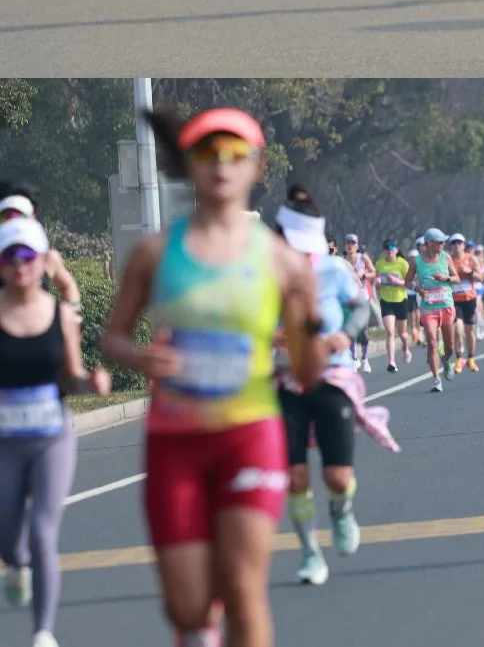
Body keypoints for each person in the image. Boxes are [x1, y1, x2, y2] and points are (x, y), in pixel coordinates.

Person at [101, 106, 324, 647]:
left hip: (249, 437)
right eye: (207, 154)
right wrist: (141, 359)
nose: (221, 166)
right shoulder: (156, 253)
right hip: (175, 443)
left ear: (255, 166)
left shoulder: (284, 263)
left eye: (234, 155)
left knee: (244, 590)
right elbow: (113, 338)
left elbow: (308, 373)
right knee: (188, 607)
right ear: (189, 167)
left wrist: (311, 329)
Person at [275, 188, 400, 587]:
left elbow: (361, 305)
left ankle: (341, 511)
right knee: (294, 476)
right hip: (286, 382)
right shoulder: (264, 274)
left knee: (337, 477)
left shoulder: (333, 270)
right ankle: (310, 552)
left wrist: (346, 333)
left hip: (332, 376)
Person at [0, 217, 111, 647]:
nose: (19, 265)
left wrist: (91, 384)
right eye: (10, 257)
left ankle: (42, 632)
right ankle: (17, 562)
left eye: (27, 255)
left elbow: (71, 375)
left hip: (51, 437)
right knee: (10, 541)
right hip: (5, 443)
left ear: (42, 262)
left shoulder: (61, 315)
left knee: (44, 530)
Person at [404, 229, 459, 393]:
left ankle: (447, 359)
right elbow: (407, 282)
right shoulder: (416, 262)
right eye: (439, 242)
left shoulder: (445, 257)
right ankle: (436, 379)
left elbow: (457, 278)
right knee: (432, 343)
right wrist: (417, 288)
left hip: (446, 305)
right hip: (428, 308)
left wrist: (446, 278)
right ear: (429, 243)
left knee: (449, 346)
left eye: (443, 242)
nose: (443, 244)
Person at [374, 239, 412, 373]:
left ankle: (406, 348)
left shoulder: (403, 263)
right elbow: (377, 281)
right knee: (390, 331)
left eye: (391, 248)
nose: (389, 251)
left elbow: (409, 283)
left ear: (396, 250)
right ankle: (391, 362)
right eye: (387, 248)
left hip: (400, 300)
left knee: (402, 333)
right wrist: (377, 282)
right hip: (386, 300)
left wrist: (396, 281)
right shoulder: (379, 264)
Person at [447, 234, 483, 373]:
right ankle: (458, 359)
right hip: (455, 300)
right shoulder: (447, 260)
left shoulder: (471, 258)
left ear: (464, 244)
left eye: (459, 242)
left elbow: (480, 277)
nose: (457, 245)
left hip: (469, 300)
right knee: (457, 329)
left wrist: (470, 273)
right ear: (450, 245)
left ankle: (471, 358)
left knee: (469, 331)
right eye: (454, 243)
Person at [342, 235, 375, 373]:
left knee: (364, 330)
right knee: (352, 329)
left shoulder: (362, 258)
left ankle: (365, 359)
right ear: (345, 246)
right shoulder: (343, 261)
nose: (350, 246)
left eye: (353, 243)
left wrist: (364, 275)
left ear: (357, 245)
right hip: (350, 298)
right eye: (348, 243)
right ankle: (354, 359)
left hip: (363, 297)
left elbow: (374, 272)